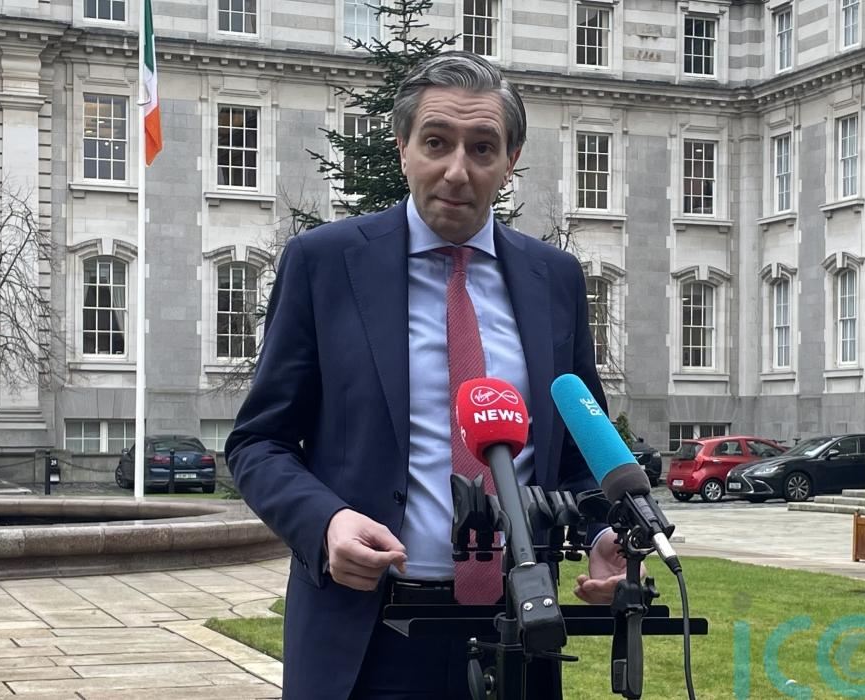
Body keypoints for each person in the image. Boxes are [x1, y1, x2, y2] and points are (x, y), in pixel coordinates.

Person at [226, 51, 626, 700]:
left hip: (518, 632)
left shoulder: (554, 279)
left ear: (511, 160)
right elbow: (258, 442)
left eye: (482, 148)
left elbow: (578, 456)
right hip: (367, 636)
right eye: (436, 142)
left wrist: (604, 532)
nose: (457, 170)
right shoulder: (324, 265)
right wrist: (326, 523)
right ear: (403, 148)